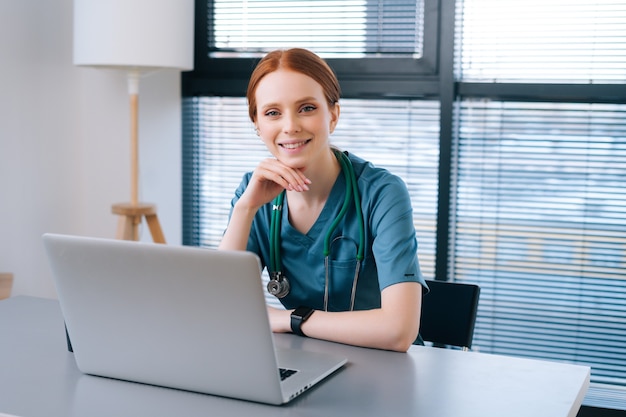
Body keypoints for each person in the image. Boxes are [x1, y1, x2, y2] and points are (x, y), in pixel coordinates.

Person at [219, 48, 427, 352]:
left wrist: (291, 320)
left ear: (333, 115)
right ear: (257, 124)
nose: (290, 126)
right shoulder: (253, 193)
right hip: (302, 361)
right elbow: (219, 309)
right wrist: (245, 208)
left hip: (383, 369)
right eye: (272, 113)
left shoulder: (382, 193)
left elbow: (398, 331)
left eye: (306, 108)